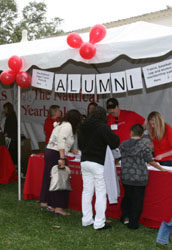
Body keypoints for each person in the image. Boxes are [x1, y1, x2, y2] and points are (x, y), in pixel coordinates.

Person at [119, 124, 169, 229]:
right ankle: (133, 223)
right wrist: (161, 168)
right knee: (137, 201)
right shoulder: (144, 145)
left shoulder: (123, 144)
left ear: (131, 132)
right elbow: (149, 160)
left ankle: (125, 217)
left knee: (127, 197)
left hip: (126, 176)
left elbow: (118, 157)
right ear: (142, 135)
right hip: (139, 177)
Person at [78, 106, 120, 230]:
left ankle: (86, 219)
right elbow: (114, 141)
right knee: (100, 193)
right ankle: (99, 222)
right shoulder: (102, 126)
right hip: (98, 162)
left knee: (87, 191)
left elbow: (80, 144)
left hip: (84, 161)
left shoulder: (83, 126)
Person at [40, 109, 81, 216]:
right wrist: (62, 158)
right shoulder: (68, 126)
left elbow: (59, 141)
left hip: (51, 151)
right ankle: (58, 207)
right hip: (56, 154)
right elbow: (61, 141)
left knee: (50, 178)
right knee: (61, 180)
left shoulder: (61, 124)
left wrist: (70, 150)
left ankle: (48, 203)